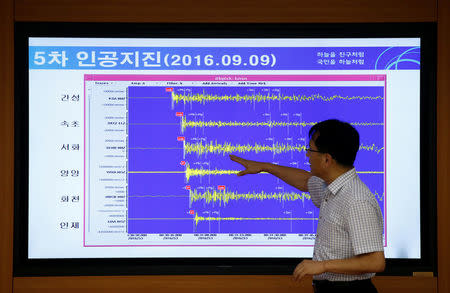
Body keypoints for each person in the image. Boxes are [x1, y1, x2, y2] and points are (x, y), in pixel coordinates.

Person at [229, 119, 385, 293]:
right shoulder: (332, 187)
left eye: (310, 150)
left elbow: (375, 261)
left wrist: (323, 265)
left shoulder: (356, 200)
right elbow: (305, 181)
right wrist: (264, 167)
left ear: (327, 159)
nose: (306, 155)